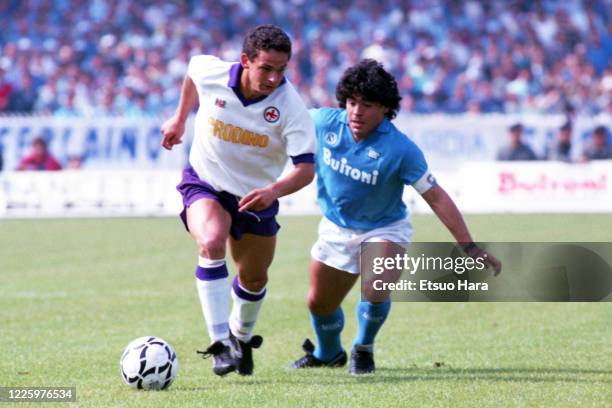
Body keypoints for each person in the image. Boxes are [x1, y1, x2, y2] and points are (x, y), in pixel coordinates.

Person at [290, 59, 501, 375]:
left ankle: (364, 347)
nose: (356, 112)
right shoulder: (321, 123)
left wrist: (469, 247)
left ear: (386, 108)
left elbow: (436, 196)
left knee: (375, 284)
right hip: (336, 227)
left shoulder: (401, 149)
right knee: (319, 304)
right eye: (351, 102)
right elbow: (279, 126)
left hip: (385, 227)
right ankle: (328, 353)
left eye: (367, 105)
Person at [161, 25, 316, 377]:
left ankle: (240, 338)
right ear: (246, 61)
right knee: (212, 240)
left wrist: (274, 191)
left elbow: (306, 169)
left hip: (256, 199)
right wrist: (180, 117)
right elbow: (192, 72)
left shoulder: (291, 108)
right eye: (266, 68)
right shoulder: (212, 72)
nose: (274, 78)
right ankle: (219, 345)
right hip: (206, 182)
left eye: (282, 70)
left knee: (254, 278)